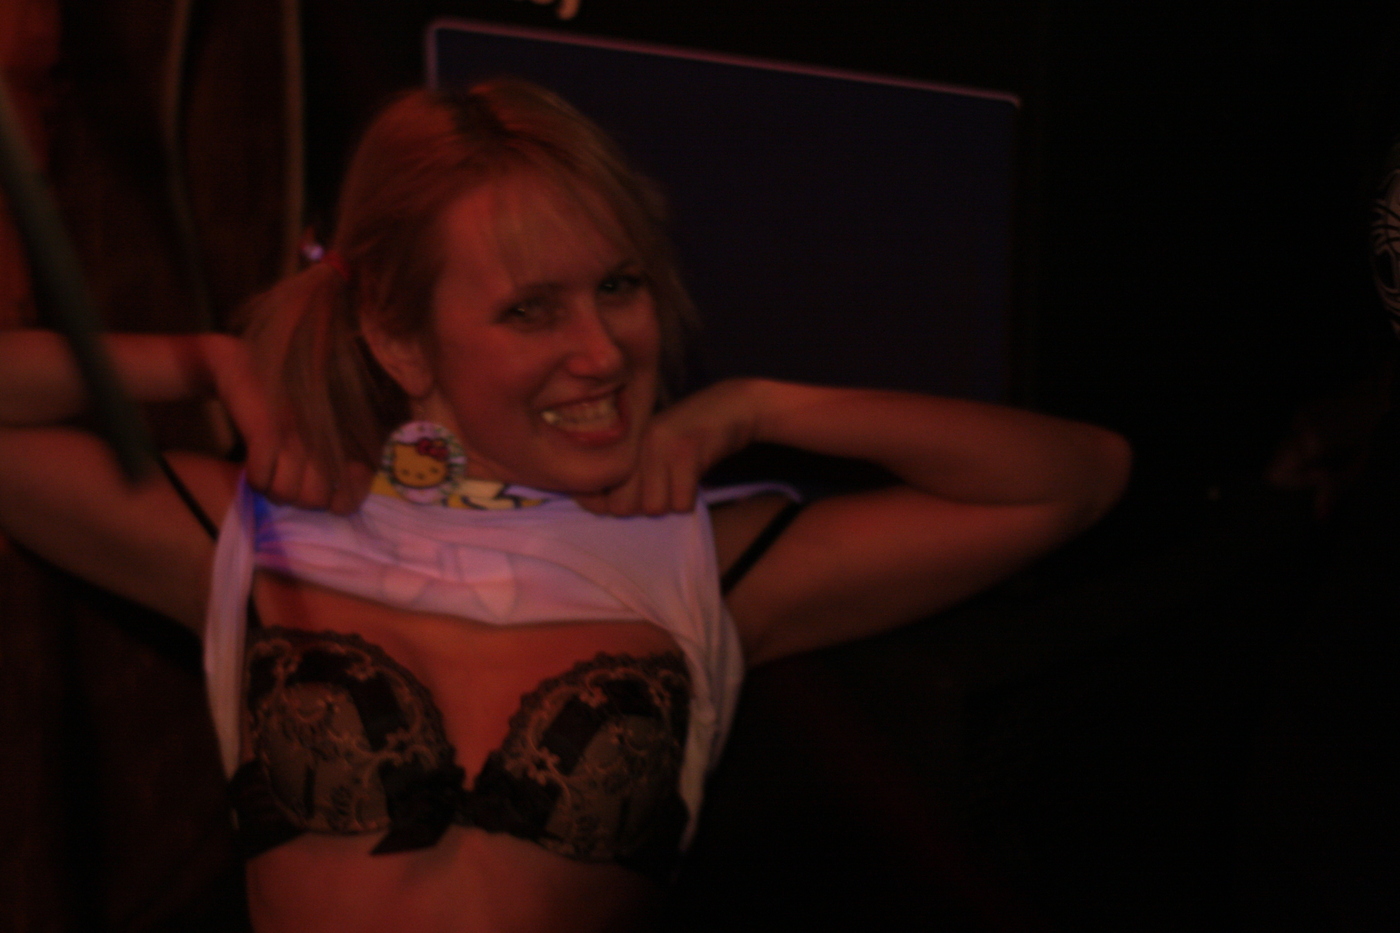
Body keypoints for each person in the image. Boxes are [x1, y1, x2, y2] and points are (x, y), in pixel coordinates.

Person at [0, 78, 1131, 932]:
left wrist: (762, 406)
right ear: (398, 336)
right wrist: (204, 362)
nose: (601, 351)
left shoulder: (702, 558)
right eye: (531, 309)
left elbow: (1074, 476)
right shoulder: (262, 533)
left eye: (618, 286)